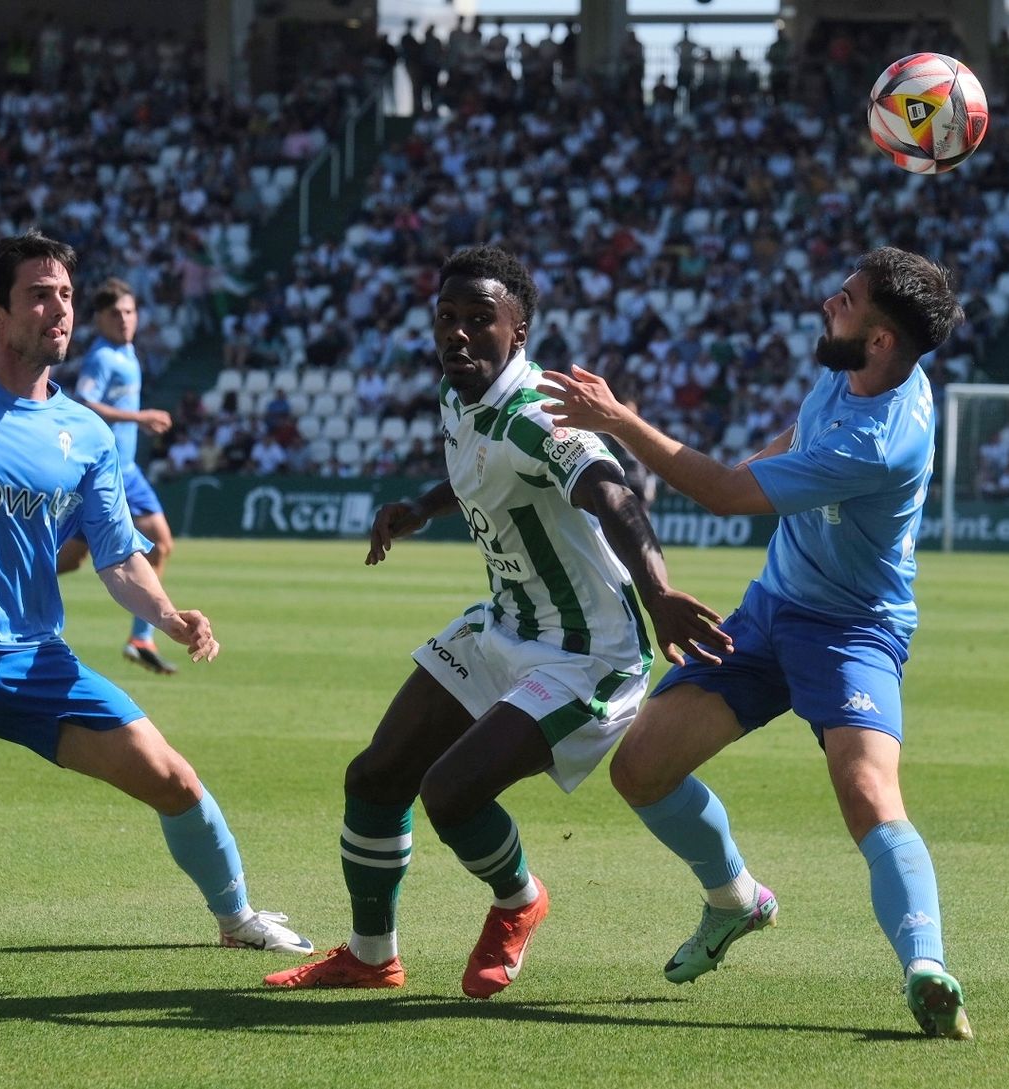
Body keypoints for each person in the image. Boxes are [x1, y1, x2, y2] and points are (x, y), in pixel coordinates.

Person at [263, 246, 728, 998]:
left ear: (519, 331)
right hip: (506, 623)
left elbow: (615, 495)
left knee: (451, 792)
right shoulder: (461, 396)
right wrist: (421, 506)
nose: (458, 334)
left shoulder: (539, 415)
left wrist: (659, 590)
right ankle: (369, 954)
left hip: (586, 654)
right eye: (447, 318)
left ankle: (519, 901)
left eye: (481, 320)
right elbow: (475, 466)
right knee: (377, 775)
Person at [538, 247, 975, 1039]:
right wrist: (767, 459)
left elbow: (731, 497)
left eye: (843, 300)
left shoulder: (882, 440)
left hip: (853, 630)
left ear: (880, 341)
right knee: (640, 770)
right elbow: (799, 432)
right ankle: (736, 897)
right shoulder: (854, 365)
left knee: (869, 792)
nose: (824, 304)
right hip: (772, 609)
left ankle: (927, 965)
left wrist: (621, 421)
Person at [0, 231, 311, 956]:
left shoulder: (85, 433)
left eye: (65, 294)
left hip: (34, 660)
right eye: (40, 294)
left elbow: (119, 558)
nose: (60, 309)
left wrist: (166, 613)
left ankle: (237, 916)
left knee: (173, 779)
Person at [55, 278, 179, 673]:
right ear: (100, 319)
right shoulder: (103, 357)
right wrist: (139, 418)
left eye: (129, 312)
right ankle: (2, 576)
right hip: (103, 471)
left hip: (128, 470)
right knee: (69, 561)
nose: (124, 319)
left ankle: (140, 636)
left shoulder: (127, 352)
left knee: (160, 544)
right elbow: (85, 402)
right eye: (115, 314)